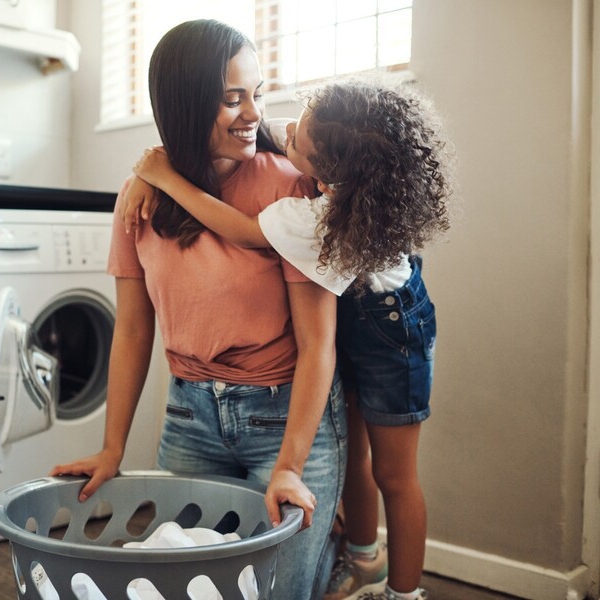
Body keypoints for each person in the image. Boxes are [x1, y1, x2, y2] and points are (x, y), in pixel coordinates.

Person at [51, 19, 347, 600]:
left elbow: (319, 344)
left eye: (257, 93)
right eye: (232, 98)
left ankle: (331, 558)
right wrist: (113, 448)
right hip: (190, 417)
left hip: (283, 419)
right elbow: (134, 330)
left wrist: (289, 464)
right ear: (185, 105)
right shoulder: (140, 197)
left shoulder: (289, 187)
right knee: (191, 588)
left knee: (279, 592)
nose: (252, 113)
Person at [126, 76, 452, 600]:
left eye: (297, 137)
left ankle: (404, 594)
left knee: (395, 473)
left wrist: (164, 179)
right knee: (354, 450)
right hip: (347, 313)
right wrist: (154, 164)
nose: (285, 128)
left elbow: (243, 231)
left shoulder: (313, 215)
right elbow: (206, 128)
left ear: (323, 173)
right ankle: (364, 557)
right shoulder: (322, 143)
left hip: (393, 329)